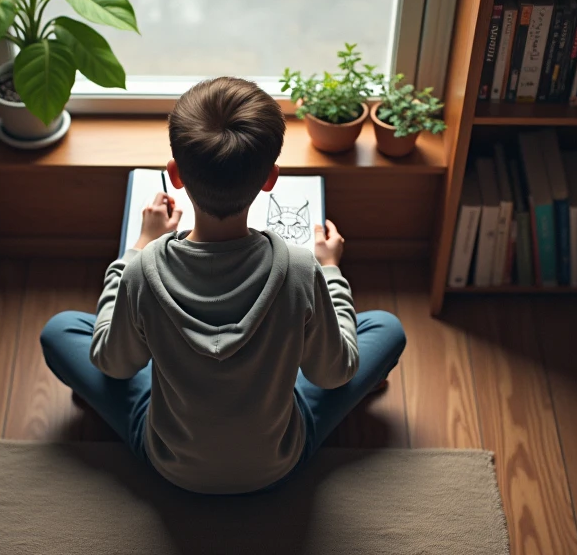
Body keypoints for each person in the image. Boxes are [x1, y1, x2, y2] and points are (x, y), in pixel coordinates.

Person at [40, 77, 407, 494]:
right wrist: (331, 270)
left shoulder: (143, 270)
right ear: (270, 179)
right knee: (386, 328)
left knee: (60, 331)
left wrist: (136, 249)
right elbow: (333, 374)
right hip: (278, 460)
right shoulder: (302, 270)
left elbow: (113, 365)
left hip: (170, 462)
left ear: (175, 175)